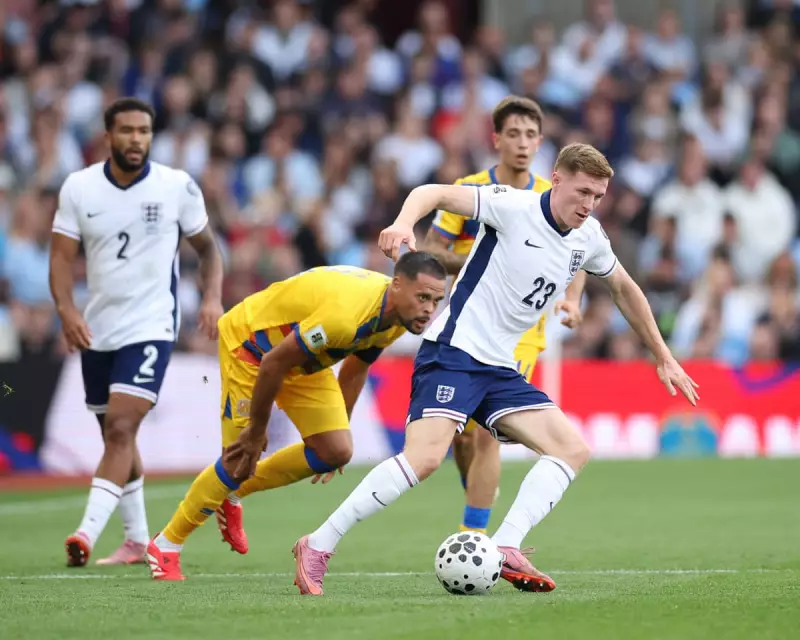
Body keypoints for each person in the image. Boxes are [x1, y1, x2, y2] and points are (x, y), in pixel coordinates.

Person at [289, 143, 699, 596]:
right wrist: (404, 222)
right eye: (583, 192)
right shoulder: (513, 206)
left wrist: (663, 355)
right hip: (454, 352)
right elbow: (432, 192)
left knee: (571, 449)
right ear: (557, 179)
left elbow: (624, 287)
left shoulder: (590, 237)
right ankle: (317, 544)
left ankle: (505, 545)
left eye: (598, 197)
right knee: (424, 458)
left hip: (499, 368)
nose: (589, 205)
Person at [146, 255, 447, 581]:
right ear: (397, 285)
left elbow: (356, 367)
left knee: (335, 450)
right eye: (422, 297)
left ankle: (233, 493)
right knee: (238, 460)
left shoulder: (397, 317)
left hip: (302, 360)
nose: (429, 310)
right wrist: (256, 430)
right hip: (251, 349)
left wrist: (339, 424)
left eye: (436, 301)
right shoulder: (344, 317)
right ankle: (166, 543)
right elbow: (273, 363)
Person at [49, 97, 224, 567]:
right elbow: (61, 258)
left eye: (144, 131)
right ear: (108, 136)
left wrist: (211, 297)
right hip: (97, 329)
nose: (136, 139)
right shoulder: (79, 188)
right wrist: (66, 310)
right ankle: (137, 540)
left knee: (122, 427)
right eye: (126, 130)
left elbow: (209, 250)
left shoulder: (176, 186)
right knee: (116, 436)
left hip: (152, 325)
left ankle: (85, 533)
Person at [423, 96, 585, 535]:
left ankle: (473, 537)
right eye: (513, 133)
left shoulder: (551, 197)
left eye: (530, 135)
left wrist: (572, 299)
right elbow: (432, 250)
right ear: (496, 139)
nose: (522, 143)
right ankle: (478, 493)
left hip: (521, 333)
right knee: (461, 435)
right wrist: (482, 262)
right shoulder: (471, 189)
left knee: (486, 432)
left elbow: (580, 254)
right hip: (468, 324)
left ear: (541, 142)